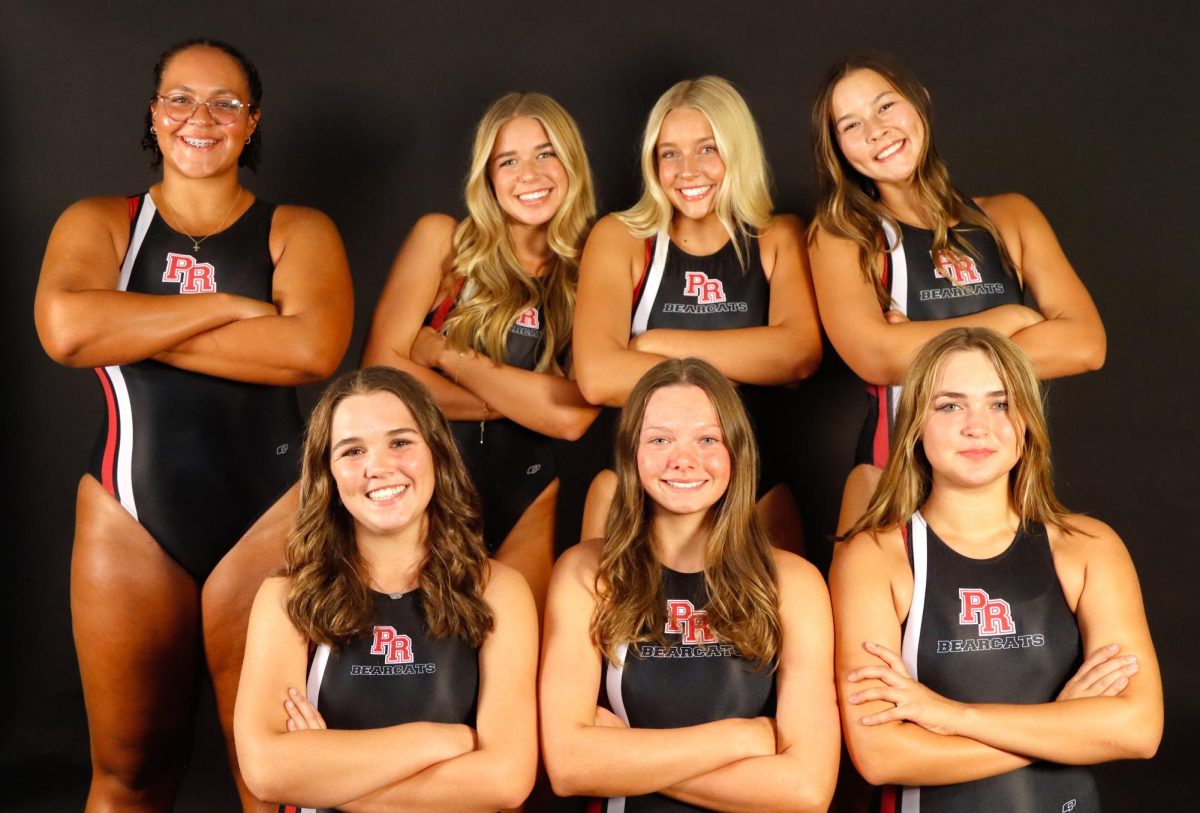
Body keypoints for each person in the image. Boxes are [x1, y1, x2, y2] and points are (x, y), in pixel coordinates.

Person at [33, 38, 352, 811]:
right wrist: (229, 310)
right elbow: (67, 329)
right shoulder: (103, 222)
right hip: (128, 514)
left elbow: (310, 348)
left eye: (224, 103)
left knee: (270, 776)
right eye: (179, 99)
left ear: (252, 122)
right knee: (130, 772)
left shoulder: (296, 229)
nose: (199, 118)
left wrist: (138, 324)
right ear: (154, 114)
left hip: (269, 514)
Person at [830, 328, 1161, 811]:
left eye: (1000, 404)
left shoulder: (1089, 547)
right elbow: (881, 755)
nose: (977, 426)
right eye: (949, 405)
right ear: (915, 425)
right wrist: (1062, 723)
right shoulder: (877, 557)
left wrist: (950, 715)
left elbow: (1137, 730)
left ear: (1027, 422)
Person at [806, 52, 1105, 534]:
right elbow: (875, 357)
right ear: (838, 148)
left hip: (1003, 479)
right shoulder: (843, 235)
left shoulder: (1011, 217)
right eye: (851, 124)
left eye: (886, 106)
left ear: (920, 102)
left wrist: (918, 345)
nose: (876, 130)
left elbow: (1086, 344)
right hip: (891, 477)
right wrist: (1009, 320)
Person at [540, 357, 839, 811]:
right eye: (659, 439)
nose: (683, 460)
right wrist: (743, 737)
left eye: (707, 439)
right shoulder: (588, 574)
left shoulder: (793, 584)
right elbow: (569, 767)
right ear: (630, 453)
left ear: (736, 451)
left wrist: (626, 756)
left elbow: (806, 789)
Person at [235, 367, 537, 813]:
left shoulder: (499, 591)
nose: (378, 467)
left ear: (437, 451)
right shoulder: (287, 598)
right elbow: (267, 771)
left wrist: (328, 774)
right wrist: (447, 740)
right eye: (353, 451)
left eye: (400, 442)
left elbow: (505, 781)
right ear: (329, 474)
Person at [362, 92, 597, 611]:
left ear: (571, 162)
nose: (528, 174)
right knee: (416, 667)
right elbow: (380, 374)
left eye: (545, 153)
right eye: (507, 161)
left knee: (512, 670)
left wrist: (447, 357)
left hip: (528, 494)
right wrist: (516, 401)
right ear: (488, 177)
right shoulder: (444, 242)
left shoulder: (593, 267)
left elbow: (574, 415)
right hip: (417, 489)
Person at [573, 76, 822, 552]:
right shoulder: (622, 238)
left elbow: (797, 354)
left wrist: (656, 343)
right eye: (669, 153)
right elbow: (598, 377)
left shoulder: (777, 236)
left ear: (737, 151)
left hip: (757, 479)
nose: (687, 170)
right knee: (614, 624)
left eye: (707, 149)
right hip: (637, 483)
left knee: (765, 623)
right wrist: (749, 364)